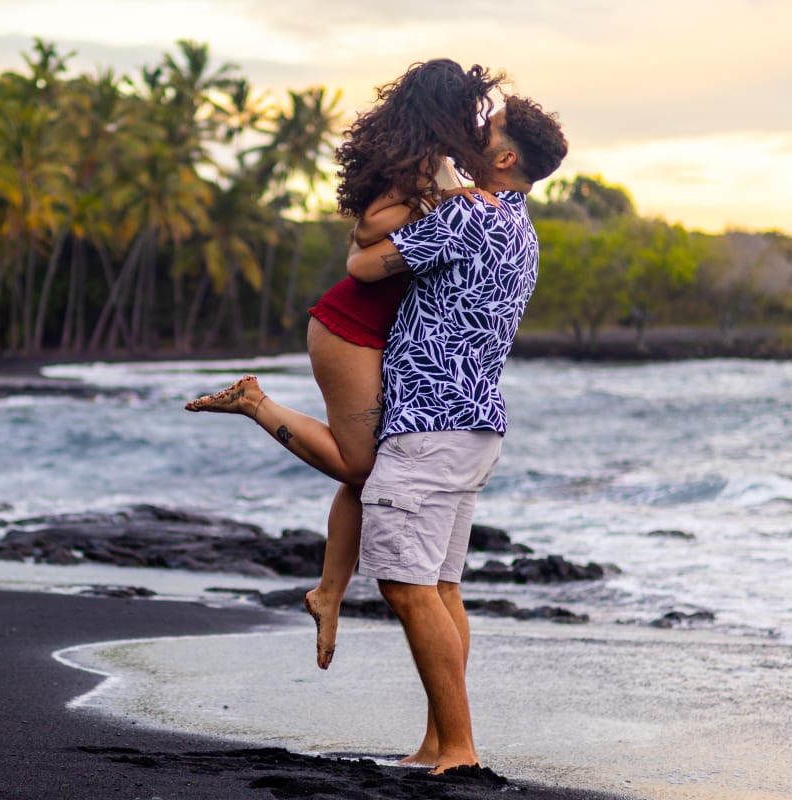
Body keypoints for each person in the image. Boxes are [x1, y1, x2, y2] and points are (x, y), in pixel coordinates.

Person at [185, 59, 502, 671]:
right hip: (349, 328)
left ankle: (328, 593)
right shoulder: (414, 167)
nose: (475, 120)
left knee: (371, 473)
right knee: (362, 465)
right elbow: (367, 230)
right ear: (445, 111)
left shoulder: (437, 165)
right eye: (468, 108)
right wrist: (440, 200)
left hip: (378, 332)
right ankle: (254, 402)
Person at [345, 95, 568, 773]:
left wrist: (403, 190)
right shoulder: (520, 228)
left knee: (406, 586)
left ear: (505, 157)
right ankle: (438, 744)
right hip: (472, 426)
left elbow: (363, 264)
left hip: (430, 424)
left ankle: (460, 748)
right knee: (439, 588)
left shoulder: (472, 214)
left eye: (486, 130)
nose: (473, 133)